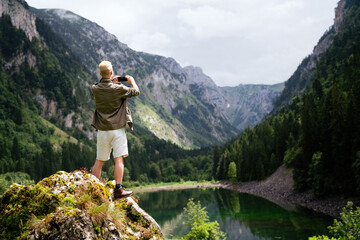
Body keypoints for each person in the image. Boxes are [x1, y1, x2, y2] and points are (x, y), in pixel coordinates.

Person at [91, 60, 140, 199]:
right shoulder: (119, 89)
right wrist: (131, 81)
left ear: (100, 73)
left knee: (99, 160)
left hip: (102, 130)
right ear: (111, 72)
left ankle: (94, 190)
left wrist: (112, 83)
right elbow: (136, 91)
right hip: (117, 129)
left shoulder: (94, 88)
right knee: (118, 159)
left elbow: (104, 89)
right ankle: (118, 190)